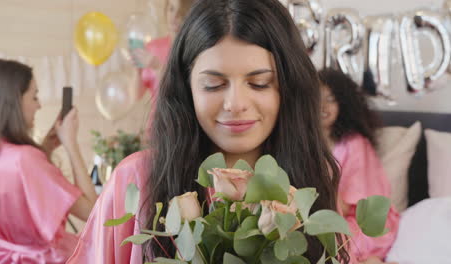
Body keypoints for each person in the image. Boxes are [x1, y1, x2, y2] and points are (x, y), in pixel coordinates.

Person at [68, 0, 349, 263]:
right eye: (213, 85)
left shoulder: (312, 175)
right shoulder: (136, 178)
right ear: (186, 89)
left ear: (288, 88)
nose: (236, 104)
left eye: (260, 83)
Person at [0, 59, 98, 263]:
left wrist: (47, 146)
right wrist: (71, 144)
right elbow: (92, 213)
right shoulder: (26, 159)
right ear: (15, 101)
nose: (39, 105)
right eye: (34, 96)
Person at [318, 68, 400, 264]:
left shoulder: (354, 143)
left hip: (364, 222)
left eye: (331, 99)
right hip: (325, 217)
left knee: (333, 244)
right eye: (316, 98)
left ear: (343, 104)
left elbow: (350, 206)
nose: (322, 106)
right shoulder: (302, 143)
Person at [136, 0, 195, 140]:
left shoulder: (194, 50)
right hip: (156, 129)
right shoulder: (153, 47)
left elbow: (183, 92)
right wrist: (137, 67)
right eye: (171, 9)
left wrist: (158, 67)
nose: (174, 16)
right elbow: (136, 95)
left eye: (181, 11)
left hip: (184, 129)